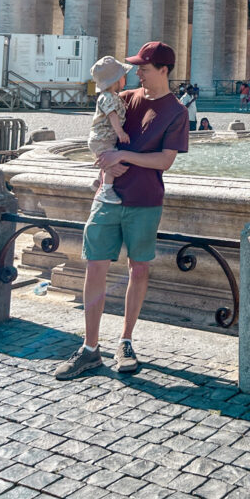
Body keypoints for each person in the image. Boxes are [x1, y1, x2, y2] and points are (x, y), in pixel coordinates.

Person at [54, 41, 189, 380]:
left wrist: (123, 157)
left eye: (143, 66)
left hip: (144, 200)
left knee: (138, 270)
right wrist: (104, 165)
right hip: (107, 197)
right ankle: (89, 348)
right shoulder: (125, 98)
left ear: (163, 70)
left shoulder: (177, 111)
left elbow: (165, 161)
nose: (137, 72)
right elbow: (99, 136)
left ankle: (126, 340)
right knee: (94, 267)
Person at [87, 56, 132, 201]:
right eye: (124, 77)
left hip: (102, 139)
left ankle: (97, 181)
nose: (126, 79)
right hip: (102, 139)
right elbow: (112, 115)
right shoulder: (107, 97)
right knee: (112, 160)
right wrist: (120, 132)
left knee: (108, 160)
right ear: (116, 79)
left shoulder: (111, 96)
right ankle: (106, 191)